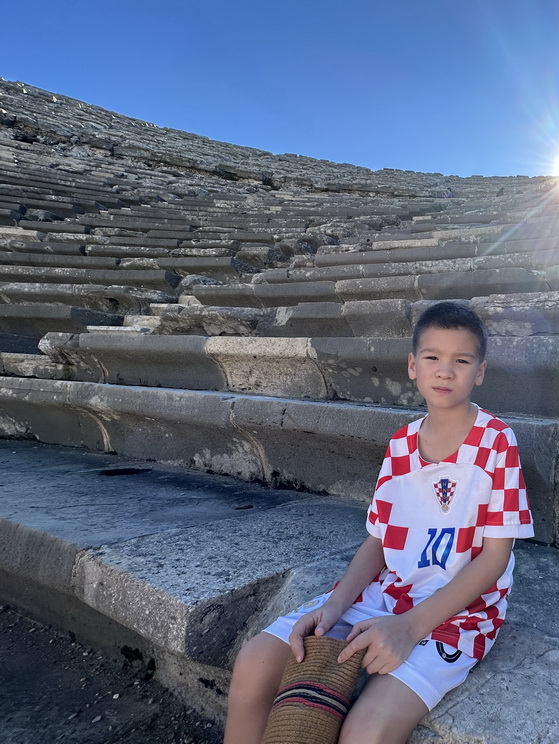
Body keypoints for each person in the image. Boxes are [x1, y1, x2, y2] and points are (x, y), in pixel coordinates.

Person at [224, 302, 534, 744]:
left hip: (459, 614)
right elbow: (379, 541)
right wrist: (335, 604)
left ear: (479, 372)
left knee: (366, 731)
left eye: (460, 361)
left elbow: (495, 559)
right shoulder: (401, 444)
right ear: (412, 366)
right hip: (387, 593)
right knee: (255, 662)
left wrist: (410, 628)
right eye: (432, 357)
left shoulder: (496, 442)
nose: (445, 371)